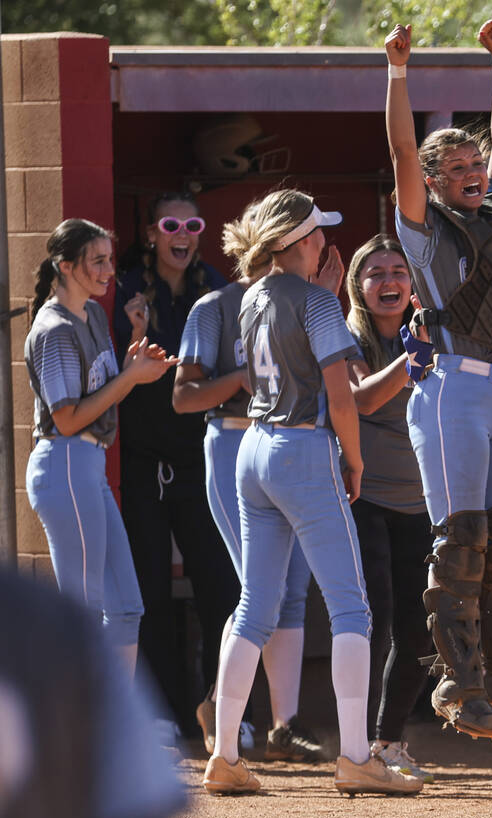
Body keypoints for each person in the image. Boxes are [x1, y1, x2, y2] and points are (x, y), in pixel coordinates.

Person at [200, 188, 420, 797]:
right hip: (302, 448)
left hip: (254, 448)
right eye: (317, 231)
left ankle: (223, 754)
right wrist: (354, 460)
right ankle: (356, 756)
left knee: (254, 605)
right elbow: (342, 397)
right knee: (352, 607)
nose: (325, 238)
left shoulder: (251, 295)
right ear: (297, 241)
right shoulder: (318, 304)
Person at [385, 17, 492, 741]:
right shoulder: (425, 228)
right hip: (450, 384)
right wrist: (397, 73)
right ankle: (458, 684)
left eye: (471, 162)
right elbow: (398, 151)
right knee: (460, 539)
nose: (472, 170)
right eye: (453, 168)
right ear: (434, 183)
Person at [174, 197, 323, 763]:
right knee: (257, 588)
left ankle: (284, 723)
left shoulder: (309, 301)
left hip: (295, 440)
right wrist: (244, 374)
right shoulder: (216, 306)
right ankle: (221, 708)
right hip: (235, 437)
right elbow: (184, 397)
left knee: (292, 589)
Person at [113, 192, 242, 745]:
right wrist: (132, 334)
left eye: (192, 224)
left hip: (199, 461)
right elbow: (116, 381)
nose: (181, 234)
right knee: (149, 593)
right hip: (144, 463)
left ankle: (227, 709)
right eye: (170, 224)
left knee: (219, 585)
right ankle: (163, 710)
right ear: (151, 233)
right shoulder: (123, 291)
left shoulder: (212, 290)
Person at [24, 219, 175, 675]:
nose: (110, 269)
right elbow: (68, 419)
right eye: (99, 261)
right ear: (66, 267)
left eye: (110, 259)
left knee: (126, 605)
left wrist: (133, 349)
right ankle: (70, 735)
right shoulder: (53, 328)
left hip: (86, 466)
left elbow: (102, 394)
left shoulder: (90, 313)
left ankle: (112, 734)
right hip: (64, 463)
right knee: (82, 612)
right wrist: (130, 377)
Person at [0, 568, 185, 818]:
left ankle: (116, 747)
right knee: (88, 608)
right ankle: (116, 750)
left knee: (124, 610)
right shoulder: (49, 618)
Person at [343, 234, 436, 783]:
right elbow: (361, 398)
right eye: (374, 272)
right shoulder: (346, 335)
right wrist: (415, 355)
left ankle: (389, 741)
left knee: (418, 628)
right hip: (363, 496)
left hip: (422, 497)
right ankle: (355, 746)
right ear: (358, 285)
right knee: (372, 620)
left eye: (398, 271)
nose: (388, 282)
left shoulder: (429, 331)